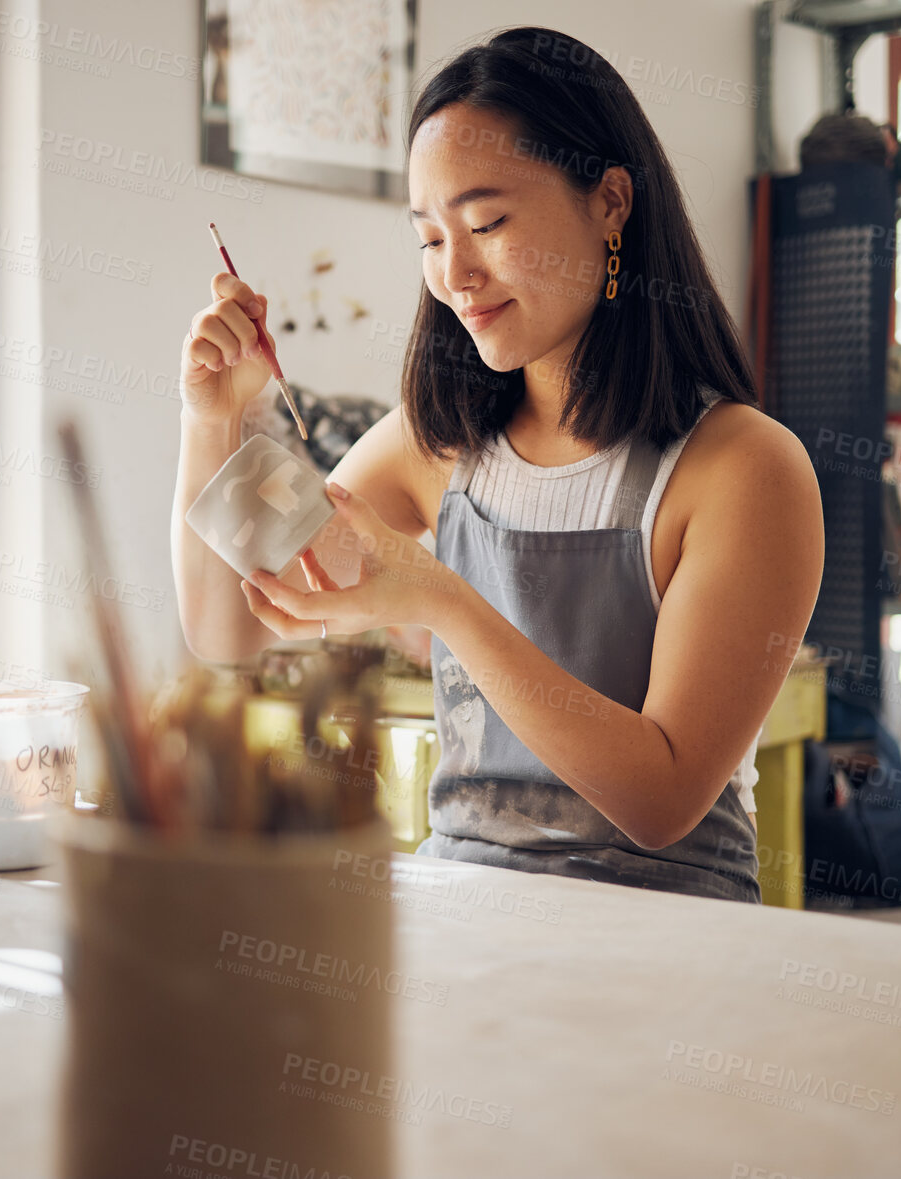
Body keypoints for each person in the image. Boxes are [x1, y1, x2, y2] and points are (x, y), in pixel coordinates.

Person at [171, 26, 823, 903]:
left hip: (668, 942)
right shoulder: (438, 441)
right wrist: (213, 420)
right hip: (467, 918)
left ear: (611, 202)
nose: (457, 273)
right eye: (431, 240)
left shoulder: (743, 468)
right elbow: (231, 629)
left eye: (486, 223)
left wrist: (439, 598)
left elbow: (662, 800)